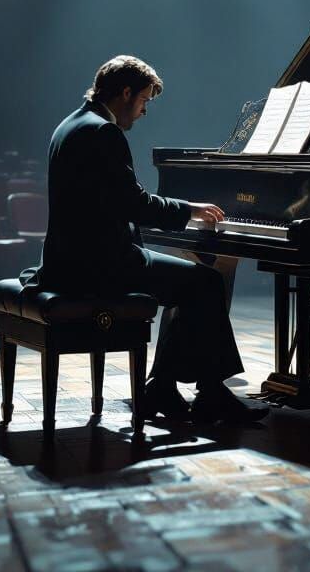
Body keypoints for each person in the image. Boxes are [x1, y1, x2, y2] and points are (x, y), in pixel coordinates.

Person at [40, 55, 268, 424]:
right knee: (205, 282)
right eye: (144, 100)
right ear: (125, 92)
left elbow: (113, 201)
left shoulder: (71, 124)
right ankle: (210, 393)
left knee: (187, 280)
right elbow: (135, 204)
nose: (144, 111)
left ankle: (162, 385)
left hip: (71, 260)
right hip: (100, 265)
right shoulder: (103, 131)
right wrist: (189, 209)